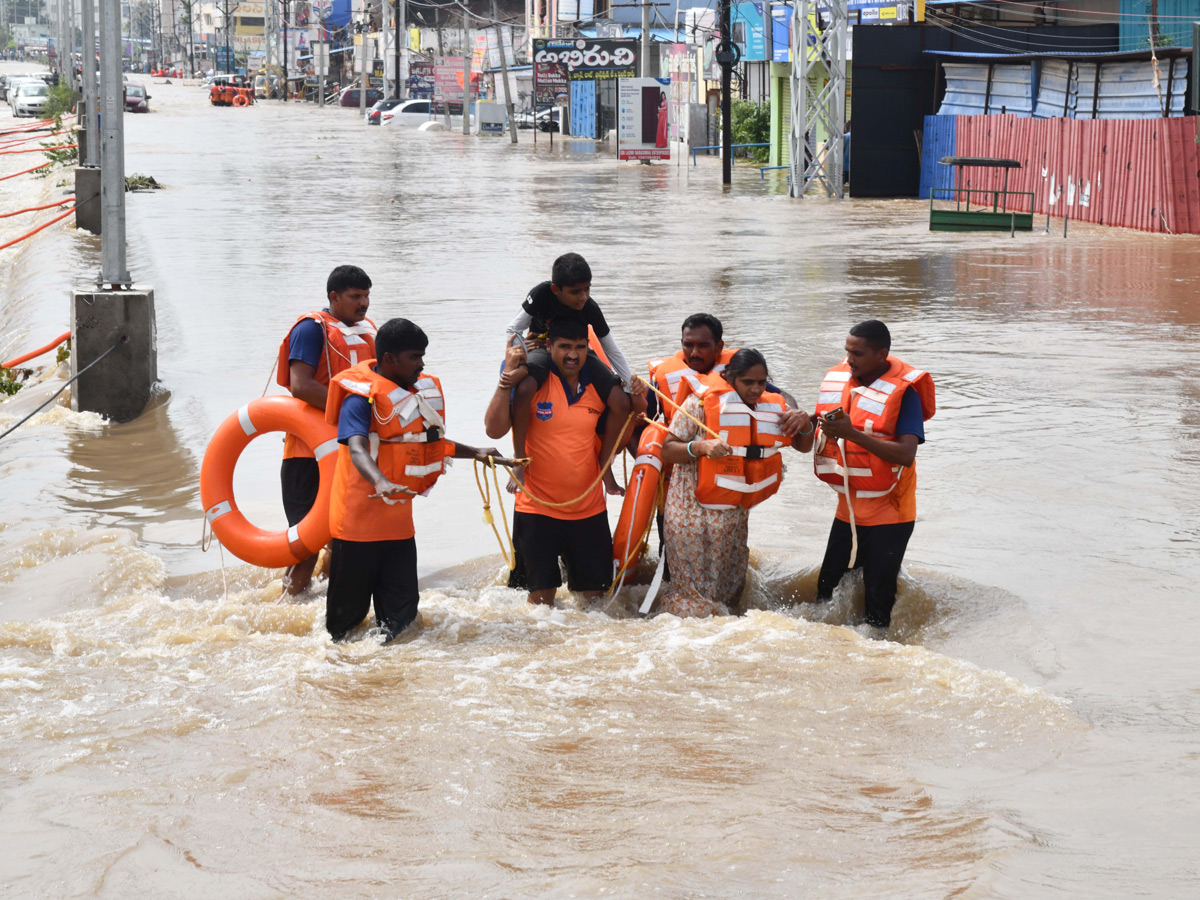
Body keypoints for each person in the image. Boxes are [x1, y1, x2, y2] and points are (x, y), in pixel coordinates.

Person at [324, 318, 499, 641]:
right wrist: (380, 481)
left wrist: (475, 451)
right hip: (357, 529)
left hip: (398, 529)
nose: (422, 364)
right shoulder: (359, 399)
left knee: (402, 624)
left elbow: (424, 443)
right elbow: (357, 447)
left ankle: (393, 684)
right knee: (344, 628)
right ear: (389, 359)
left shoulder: (413, 393)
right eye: (414, 357)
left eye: (422, 356)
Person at [658, 349, 813, 617]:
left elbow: (803, 446)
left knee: (729, 590)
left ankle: (724, 646)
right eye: (747, 382)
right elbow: (668, 449)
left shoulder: (773, 408)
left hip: (733, 515)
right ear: (730, 379)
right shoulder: (700, 404)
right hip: (691, 513)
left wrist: (806, 422)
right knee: (693, 592)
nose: (755, 389)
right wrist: (701, 446)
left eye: (761, 382)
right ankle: (681, 638)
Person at [812, 319, 936, 630]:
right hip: (849, 511)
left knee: (878, 605)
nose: (849, 360)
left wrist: (852, 434)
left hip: (890, 513)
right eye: (847, 352)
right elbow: (810, 440)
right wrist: (801, 420)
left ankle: (879, 661)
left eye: (858, 354)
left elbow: (907, 454)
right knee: (826, 593)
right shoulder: (840, 382)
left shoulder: (905, 393)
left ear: (881, 355)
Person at [507, 316, 632, 606]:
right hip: (537, 508)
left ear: (588, 348)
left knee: (598, 601)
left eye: (579, 347)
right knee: (540, 600)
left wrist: (606, 470)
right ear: (549, 346)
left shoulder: (599, 387)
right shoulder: (535, 382)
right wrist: (518, 462)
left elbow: (624, 418)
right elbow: (501, 421)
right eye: (564, 347)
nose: (572, 354)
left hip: (588, 509)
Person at [275, 265, 377, 595]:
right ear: (334, 296)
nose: (363, 303)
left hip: (352, 453)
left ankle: (322, 612)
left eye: (366, 296)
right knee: (308, 547)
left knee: (343, 541)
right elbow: (300, 385)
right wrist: (353, 410)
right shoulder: (311, 329)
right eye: (355, 296)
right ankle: (287, 614)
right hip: (307, 456)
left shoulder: (367, 332)